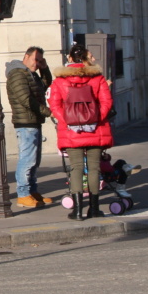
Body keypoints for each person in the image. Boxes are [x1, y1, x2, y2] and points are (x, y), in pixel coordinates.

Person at [48, 42, 114, 220]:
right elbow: (107, 102)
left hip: (71, 132)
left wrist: (68, 120)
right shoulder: (98, 78)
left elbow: (54, 105)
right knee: (94, 168)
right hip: (95, 129)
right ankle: (94, 208)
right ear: (85, 59)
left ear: (69, 59)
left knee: (76, 168)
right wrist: (95, 118)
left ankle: (77, 210)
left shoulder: (60, 81)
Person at [5, 46, 53, 208]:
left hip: (34, 121)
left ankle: (32, 191)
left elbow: (44, 85)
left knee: (34, 160)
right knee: (27, 159)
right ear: (26, 56)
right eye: (35, 60)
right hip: (25, 123)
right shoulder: (17, 74)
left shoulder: (30, 74)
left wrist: (44, 69)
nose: (37, 64)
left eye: (40, 61)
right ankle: (23, 194)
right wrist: (47, 112)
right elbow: (26, 99)